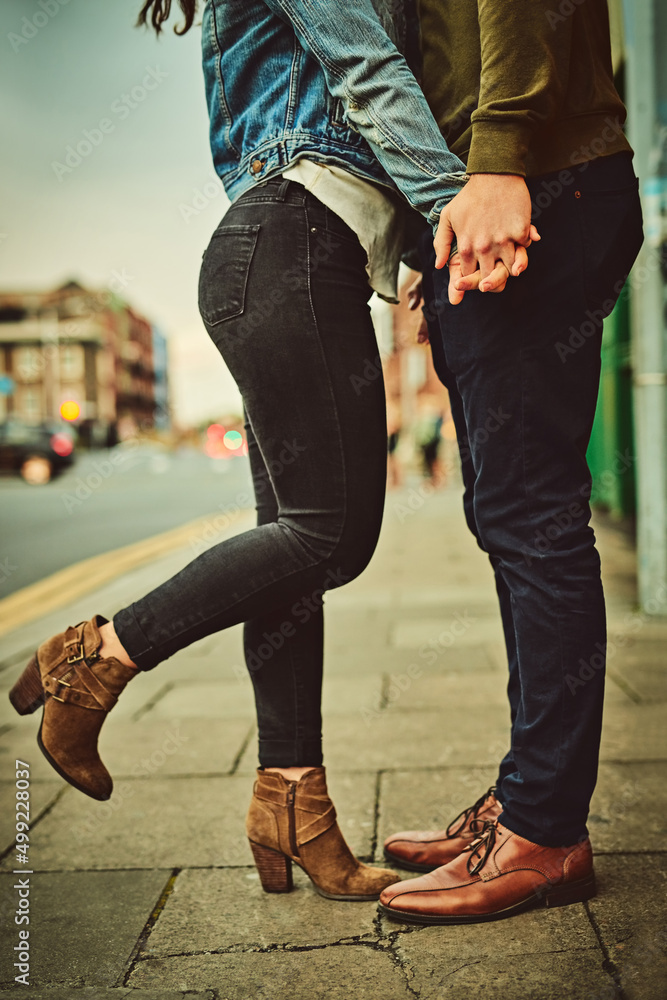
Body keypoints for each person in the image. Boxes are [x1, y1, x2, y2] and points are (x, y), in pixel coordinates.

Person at [9, 0, 524, 903]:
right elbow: (366, 71)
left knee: (290, 548)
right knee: (332, 536)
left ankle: (293, 805)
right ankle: (96, 659)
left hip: (286, 256)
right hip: (290, 251)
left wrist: (409, 242)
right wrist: (451, 214)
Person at [380, 0, 644, 924]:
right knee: (507, 517)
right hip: (519, 179)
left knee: (532, 517)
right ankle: (525, 795)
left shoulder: (519, 156)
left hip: (542, 174)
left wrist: (497, 161)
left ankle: (545, 831)